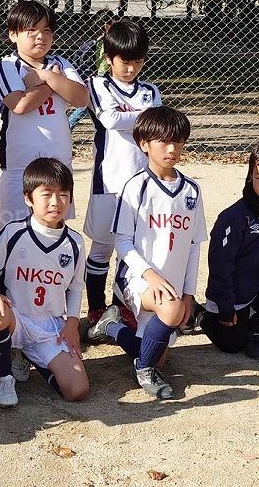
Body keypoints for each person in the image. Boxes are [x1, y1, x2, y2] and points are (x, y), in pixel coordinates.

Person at [86, 107, 206, 400]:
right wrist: (149, 275)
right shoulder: (136, 186)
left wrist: (189, 294)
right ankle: (145, 371)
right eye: (163, 141)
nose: (171, 149)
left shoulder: (192, 191)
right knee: (169, 315)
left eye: (178, 141)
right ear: (144, 144)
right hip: (137, 280)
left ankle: (111, 327)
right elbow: (122, 242)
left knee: (157, 350)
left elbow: (194, 246)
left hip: (172, 285)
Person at [0, 157, 89, 407]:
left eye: (63, 194)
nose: (55, 202)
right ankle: (4, 378)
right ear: (28, 198)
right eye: (46, 194)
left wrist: (72, 323)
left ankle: (30, 356)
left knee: (77, 390)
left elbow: (76, 287)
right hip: (14, 318)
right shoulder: (13, 233)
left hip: (49, 326)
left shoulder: (75, 243)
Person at [82, 19, 161, 338]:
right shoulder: (97, 85)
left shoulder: (150, 90)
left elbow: (156, 127)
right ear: (109, 57)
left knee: (132, 249)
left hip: (142, 184)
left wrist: (133, 118)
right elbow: (110, 119)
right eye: (124, 61)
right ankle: (95, 307)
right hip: (108, 182)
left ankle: (120, 305)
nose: (131, 69)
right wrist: (142, 117)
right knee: (102, 247)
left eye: (138, 62)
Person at [0, 0, 89, 229]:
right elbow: (20, 104)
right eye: (31, 30)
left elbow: (82, 98)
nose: (40, 36)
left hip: (58, 164)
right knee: (14, 230)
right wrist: (55, 83)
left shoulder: (60, 63)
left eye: (47, 30)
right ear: (13, 34)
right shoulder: (7, 65)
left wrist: (46, 77)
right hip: (19, 166)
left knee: (54, 228)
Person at [197, 139, 259, 360]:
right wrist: (225, 307)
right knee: (231, 346)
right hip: (232, 291)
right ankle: (200, 315)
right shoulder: (234, 217)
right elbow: (221, 266)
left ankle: (253, 329)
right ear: (250, 174)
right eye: (258, 177)